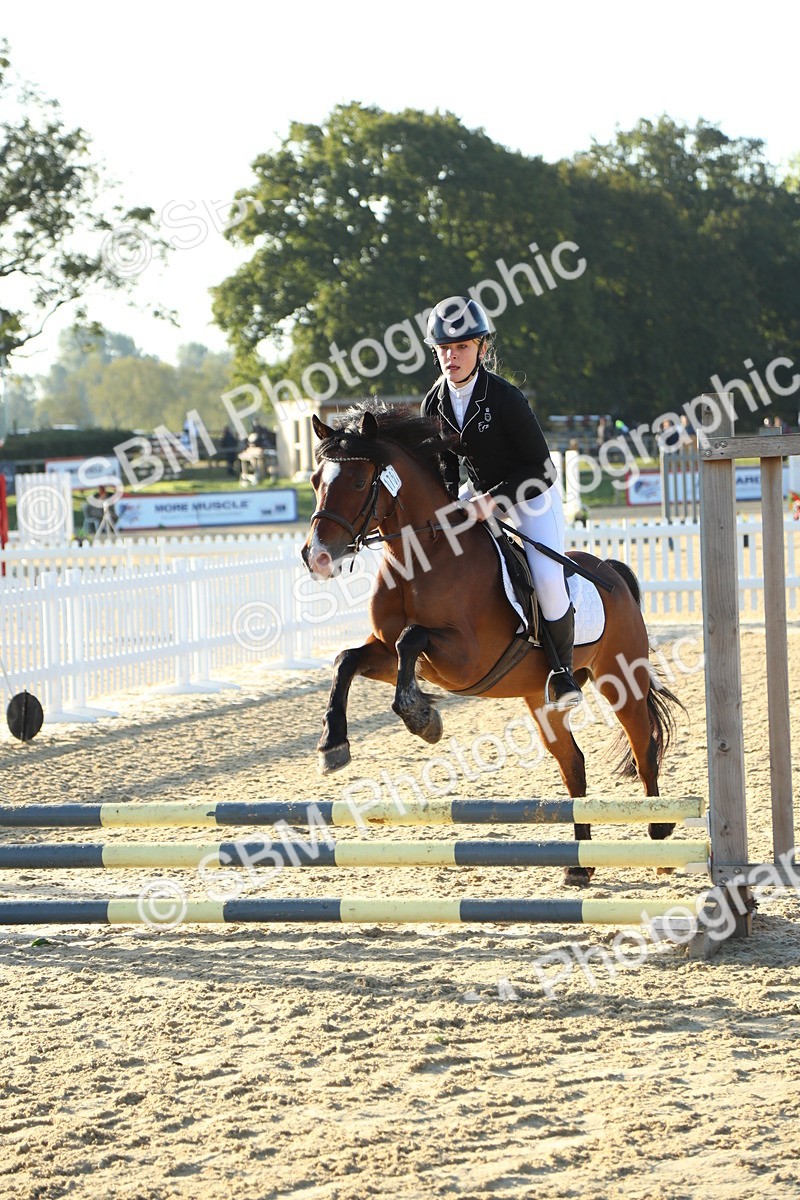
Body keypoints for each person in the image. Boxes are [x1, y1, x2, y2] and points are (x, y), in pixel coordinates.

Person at [420, 294, 581, 710]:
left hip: (530, 496)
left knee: (546, 578)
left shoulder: (506, 398)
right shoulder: (433, 403)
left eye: (462, 347)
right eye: (444, 349)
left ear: (482, 349)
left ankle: (562, 673)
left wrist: (490, 502)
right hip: (477, 496)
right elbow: (444, 471)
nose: (451, 357)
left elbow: (544, 469)